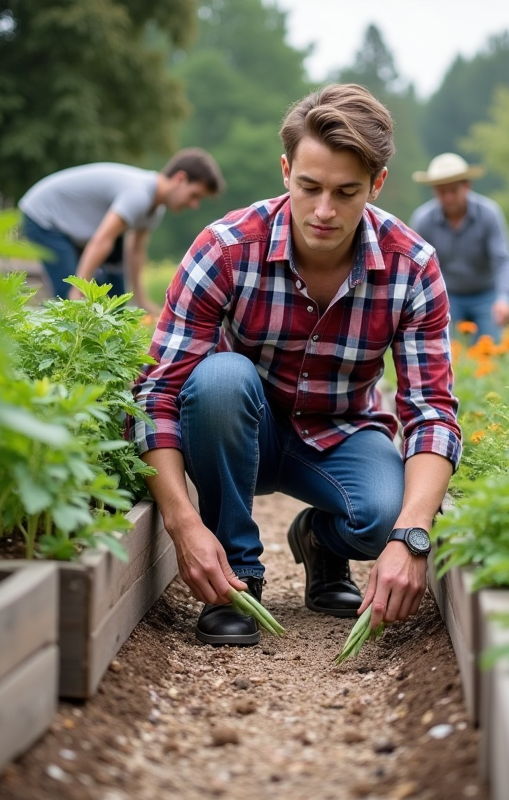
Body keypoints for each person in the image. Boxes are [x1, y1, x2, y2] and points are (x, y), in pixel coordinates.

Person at [129, 84, 461, 647]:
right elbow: (155, 395)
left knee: (388, 516)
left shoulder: (412, 267)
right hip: (236, 430)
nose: (325, 211)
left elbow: (431, 413)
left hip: (341, 431)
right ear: (286, 170)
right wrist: (182, 524)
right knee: (217, 379)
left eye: (346, 191)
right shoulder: (227, 248)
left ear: (376, 184)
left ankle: (324, 543)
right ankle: (236, 575)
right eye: (309, 187)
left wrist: (411, 536)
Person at [18, 149, 225, 311]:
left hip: (81, 229)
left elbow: (135, 252)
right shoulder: (139, 194)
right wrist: (79, 290)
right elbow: (102, 240)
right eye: (194, 195)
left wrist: (141, 299)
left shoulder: (155, 209)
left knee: (115, 299)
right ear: (180, 179)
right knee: (69, 300)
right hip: (45, 216)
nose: (194, 205)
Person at [409, 153, 509, 343]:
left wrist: (504, 299)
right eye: (442, 192)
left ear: (467, 186)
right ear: (434, 191)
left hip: (486, 295)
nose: (449, 197)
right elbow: (414, 268)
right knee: (444, 352)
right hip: (445, 296)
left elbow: (502, 261)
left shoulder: (489, 214)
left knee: (491, 351)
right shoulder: (423, 220)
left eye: (454, 190)